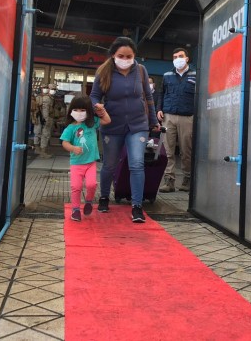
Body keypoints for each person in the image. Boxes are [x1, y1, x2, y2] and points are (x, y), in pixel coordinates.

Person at [90, 37, 159, 223]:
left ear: (134, 55)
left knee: (137, 164)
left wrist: (153, 121)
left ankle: (137, 206)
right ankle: (104, 197)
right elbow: (95, 95)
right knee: (109, 165)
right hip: (112, 125)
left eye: (129, 56)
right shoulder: (104, 72)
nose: (125, 59)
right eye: (121, 55)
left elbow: (148, 98)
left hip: (138, 125)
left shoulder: (141, 71)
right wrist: (97, 107)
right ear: (113, 55)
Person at [60, 95, 111, 222]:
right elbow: (64, 143)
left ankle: (88, 201)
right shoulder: (70, 128)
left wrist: (101, 110)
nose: (79, 113)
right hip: (76, 164)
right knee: (76, 187)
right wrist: (72, 148)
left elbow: (107, 120)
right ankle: (76, 209)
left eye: (83, 110)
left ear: (88, 111)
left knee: (92, 184)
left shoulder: (92, 123)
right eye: (76, 109)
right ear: (71, 110)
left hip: (90, 162)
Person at [157, 47, 196, 193]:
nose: (177, 59)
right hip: (168, 117)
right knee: (168, 150)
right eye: (174, 57)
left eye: (180, 56)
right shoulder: (167, 75)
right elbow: (161, 93)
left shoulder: (196, 75)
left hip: (188, 117)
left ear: (187, 58)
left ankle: (187, 179)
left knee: (187, 150)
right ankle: (169, 181)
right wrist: (159, 109)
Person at [39, 83, 55, 159]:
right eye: (52, 89)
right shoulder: (47, 98)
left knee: (47, 134)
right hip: (47, 118)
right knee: (45, 135)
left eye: (54, 89)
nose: (54, 91)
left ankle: (44, 150)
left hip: (50, 117)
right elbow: (45, 109)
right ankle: (43, 152)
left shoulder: (50, 98)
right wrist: (46, 119)